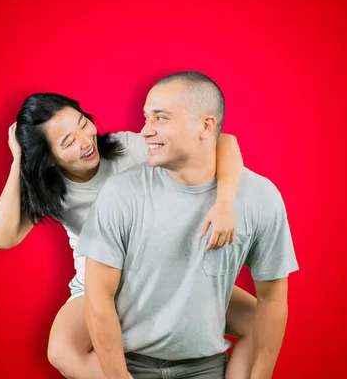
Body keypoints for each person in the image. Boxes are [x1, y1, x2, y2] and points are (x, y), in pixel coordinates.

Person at [0, 91, 256, 378]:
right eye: (67, 142)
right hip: (98, 283)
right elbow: (2, 238)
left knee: (261, 321)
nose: (85, 141)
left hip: (167, 272)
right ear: (50, 159)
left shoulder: (128, 148)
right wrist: (18, 161)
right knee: (62, 351)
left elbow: (225, 142)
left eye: (82, 124)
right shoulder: (53, 190)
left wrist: (224, 203)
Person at [76, 71, 299, 379]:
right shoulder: (121, 193)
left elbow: (272, 299)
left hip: (206, 367)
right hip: (128, 365)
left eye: (160, 118)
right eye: (146, 117)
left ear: (206, 126)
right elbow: (98, 296)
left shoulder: (260, 198)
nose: (145, 130)